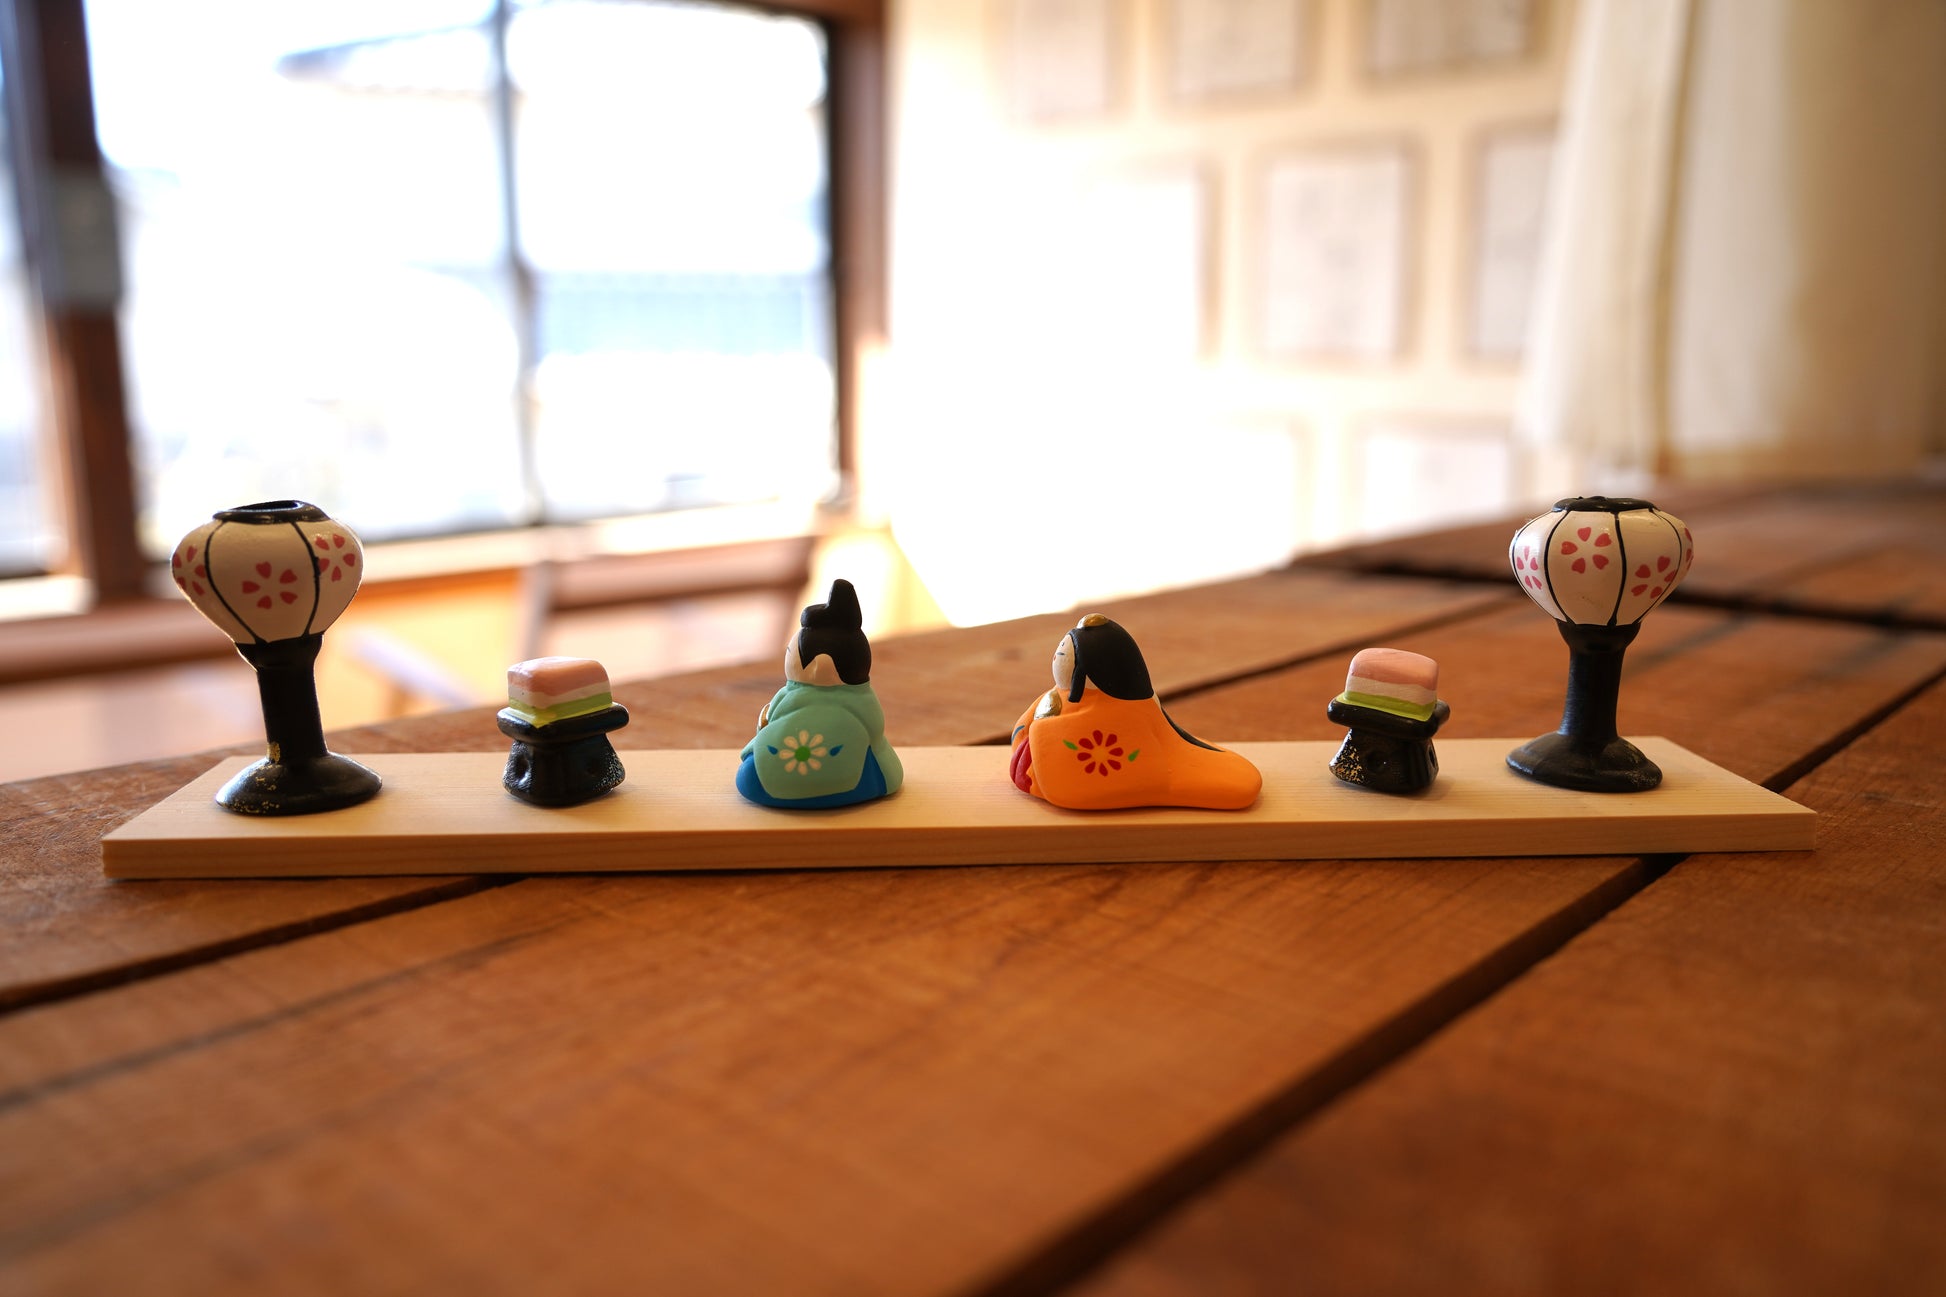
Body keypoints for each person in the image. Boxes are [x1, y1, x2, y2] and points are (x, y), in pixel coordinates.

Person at [1008, 614, 1260, 811]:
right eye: (1060, 652)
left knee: (1234, 781)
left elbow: (1092, 736)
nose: (1056, 658)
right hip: (1034, 765)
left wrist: (1044, 732)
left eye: (1063, 654)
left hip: (1152, 767)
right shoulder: (1062, 693)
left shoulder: (1124, 710)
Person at [736, 579, 904, 809]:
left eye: (790, 653)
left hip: (768, 780)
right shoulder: (863, 699)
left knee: (748, 775)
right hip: (866, 779)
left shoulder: (792, 697)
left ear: (817, 665)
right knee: (880, 767)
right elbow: (875, 735)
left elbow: (767, 727)